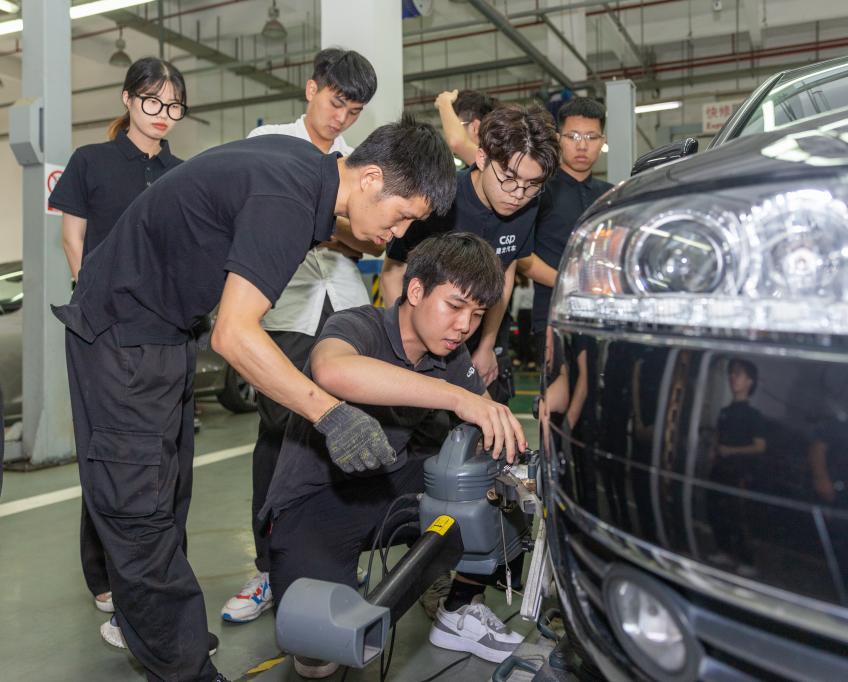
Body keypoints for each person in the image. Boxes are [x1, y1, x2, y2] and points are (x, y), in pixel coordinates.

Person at [52, 115, 456, 682]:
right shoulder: (286, 199)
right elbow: (234, 335)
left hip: (163, 333)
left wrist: (366, 239)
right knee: (139, 508)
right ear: (370, 179)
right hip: (121, 337)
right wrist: (331, 413)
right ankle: (184, 668)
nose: (398, 232)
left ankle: (161, 634)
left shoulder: (304, 173)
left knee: (166, 495)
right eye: (402, 216)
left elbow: (314, 231)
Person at [262, 232, 528, 678]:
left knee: (492, 487)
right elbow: (332, 369)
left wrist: (509, 447)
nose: (464, 325)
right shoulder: (359, 324)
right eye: (455, 306)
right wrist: (455, 396)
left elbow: (486, 420)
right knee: (320, 654)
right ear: (416, 290)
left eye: (478, 314)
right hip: (317, 499)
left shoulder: (451, 352)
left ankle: (458, 607)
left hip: (388, 484)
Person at [220, 47, 381, 625]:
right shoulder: (269, 142)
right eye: (336, 103)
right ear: (311, 89)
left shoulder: (358, 162)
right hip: (286, 308)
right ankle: (269, 569)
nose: (341, 118)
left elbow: (371, 240)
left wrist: (326, 228)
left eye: (354, 111)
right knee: (280, 436)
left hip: (346, 306)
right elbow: (263, 224)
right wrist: (333, 225)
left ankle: (336, 558)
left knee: (347, 433)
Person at [47, 56, 187, 621]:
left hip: (164, 329)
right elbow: (72, 237)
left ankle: (161, 563)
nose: (162, 113)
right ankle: (104, 574)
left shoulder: (181, 173)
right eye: (152, 100)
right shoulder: (92, 161)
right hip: (103, 330)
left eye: (173, 105)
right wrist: (95, 300)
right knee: (109, 454)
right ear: (128, 99)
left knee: (165, 456)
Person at [381, 104, 560, 400]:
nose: (518, 195)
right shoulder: (440, 199)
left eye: (532, 186)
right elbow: (393, 273)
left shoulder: (529, 205)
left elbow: (505, 273)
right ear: (482, 158)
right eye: (509, 178)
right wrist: (402, 348)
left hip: (479, 339)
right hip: (419, 338)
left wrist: (486, 345)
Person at [517, 97, 612, 365]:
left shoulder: (610, 196)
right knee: (557, 391)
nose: (582, 145)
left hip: (602, 317)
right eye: (573, 136)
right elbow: (521, 255)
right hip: (552, 318)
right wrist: (568, 282)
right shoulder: (538, 191)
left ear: (602, 141)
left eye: (591, 137)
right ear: (559, 138)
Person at [707, 358, 767, 577]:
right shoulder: (725, 411)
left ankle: (747, 561)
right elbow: (718, 436)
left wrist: (731, 451)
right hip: (719, 469)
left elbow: (760, 446)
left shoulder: (754, 416)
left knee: (738, 516)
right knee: (715, 510)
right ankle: (723, 551)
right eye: (731, 373)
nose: (733, 377)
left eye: (738, 374)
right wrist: (713, 451)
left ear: (750, 381)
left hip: (739, 472)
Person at [435, 88, 498, 166]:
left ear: (475, 128)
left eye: (457, 126)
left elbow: (456, 142)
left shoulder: (498, 163)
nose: (449, 134)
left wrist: (444, 102)